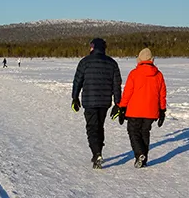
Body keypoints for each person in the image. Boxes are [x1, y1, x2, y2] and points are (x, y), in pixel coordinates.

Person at [71, 38, 122, 169]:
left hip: (90, 101)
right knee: (99, 126)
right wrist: (117, 103)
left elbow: (78, 81)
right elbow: (116, 85)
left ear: (94, 47)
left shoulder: (84, 62)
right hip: (105, 102)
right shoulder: (112, 63)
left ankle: (96, 153)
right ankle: (98, 151)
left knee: (92, 127)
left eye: (91, 47)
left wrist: (75, 97)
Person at [114, 48, 167, 168]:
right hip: (151, 111)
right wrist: (162, 110)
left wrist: (122, 107)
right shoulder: (158, 75)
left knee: (133, 132)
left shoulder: (134, 73)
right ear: (151, 60)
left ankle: (139, 154)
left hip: (134, 110)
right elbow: (162, 94)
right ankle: (143, 159)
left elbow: (127, 92)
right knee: (144, 132)